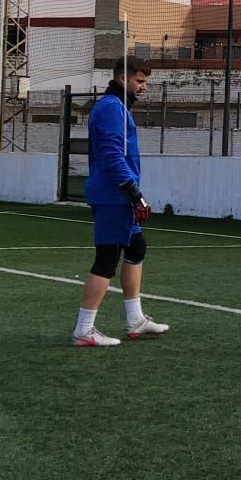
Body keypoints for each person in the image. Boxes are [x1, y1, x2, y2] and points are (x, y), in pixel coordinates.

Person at [71, 59, 171, 346]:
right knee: (107, 257)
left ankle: (135, 319)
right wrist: (133, 192)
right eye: (140, 81)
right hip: (113, 194)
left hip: (116, 193)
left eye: (145, 82)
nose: (144, 87)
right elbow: (112, 155)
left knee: (136, 246)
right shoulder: (112, 108)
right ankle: (84, 330)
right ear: (122, 78)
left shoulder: (116, 107)